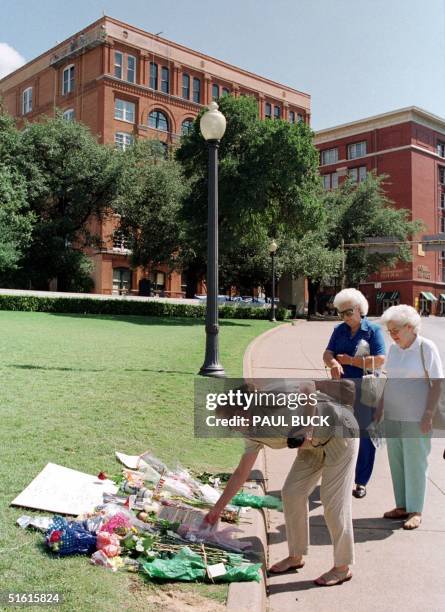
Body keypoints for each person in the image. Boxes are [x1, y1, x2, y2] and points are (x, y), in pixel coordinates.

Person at [204, 380, 360, 587]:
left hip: (340, 433)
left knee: (333, 503)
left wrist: (308, 426)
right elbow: (242, 472)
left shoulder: (271, 398)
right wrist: (218, 509)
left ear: (243, 410)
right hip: (312, 447)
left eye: (231, 421)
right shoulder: (251, 433)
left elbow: (308, 388)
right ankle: (296, 556)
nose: (231, 428)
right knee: (292, 493)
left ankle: (342, 567)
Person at [378, 305, 443, 529]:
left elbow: (437, 384)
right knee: (396, 461)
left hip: (418, 417)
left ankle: (416, 510)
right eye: (389, 331)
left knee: (416, 462)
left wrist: (428, 414)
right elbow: (390, 380)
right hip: (395, 415)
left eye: (395, 329)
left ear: (410, 327)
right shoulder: (395, 350)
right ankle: (402, 505)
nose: (392, 334)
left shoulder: (426, 348)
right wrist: (380, 407)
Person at [323, 288, 386, 499]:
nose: (345, 317)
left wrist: (350, 361)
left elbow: (380, 360)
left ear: (359, 309)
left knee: (365, 437)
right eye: (341, 313)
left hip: (365, 390)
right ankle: (342, 476)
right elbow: (328, 352)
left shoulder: (373, 331)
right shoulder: (339, 329)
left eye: (348, 312)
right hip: (342, 390)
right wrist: (332, 362)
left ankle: (361, 481)